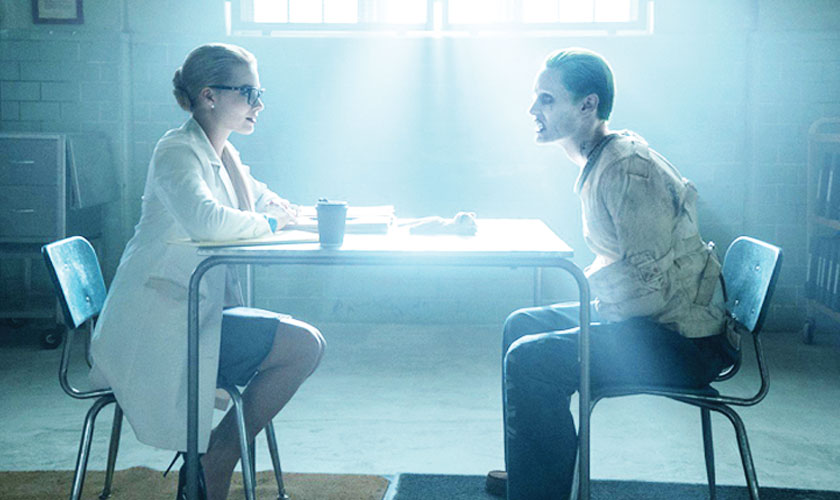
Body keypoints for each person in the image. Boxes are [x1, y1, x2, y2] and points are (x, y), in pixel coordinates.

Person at [486, 48, 739, 499]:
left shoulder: (626, 169)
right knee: (520, 325)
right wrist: (599, 298)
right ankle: (534, 477)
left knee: (531, 359)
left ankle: (540, 493)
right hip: (654, 322)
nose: (532, 109)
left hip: (685, 344)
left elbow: (650, 285)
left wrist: (595, 298)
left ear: (588, 105)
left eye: (547, 99)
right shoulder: (600, 160)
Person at [88, 43, 325, 500]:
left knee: (307, 343)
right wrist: (273, 222)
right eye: (248, 92)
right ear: (209, 96)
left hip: (192, 312)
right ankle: (217, 459)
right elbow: (208, 221)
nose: (258, 104)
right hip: (158, 323)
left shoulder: (224, 155)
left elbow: (270, 205)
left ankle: (213, 458)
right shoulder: (176, 152)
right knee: (303, 346)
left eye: (259, 92)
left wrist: (311, 215)